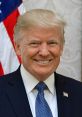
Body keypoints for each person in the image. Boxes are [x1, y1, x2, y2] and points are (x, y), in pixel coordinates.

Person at [0, 9, 82, 117]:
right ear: (18, 47)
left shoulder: (78, 92)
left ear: (61, 47)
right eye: (35, 43)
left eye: (52, 43)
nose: (44, 52)